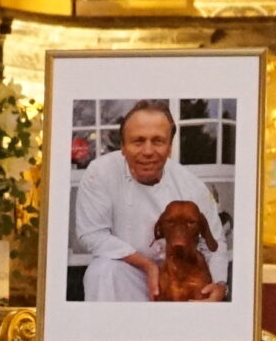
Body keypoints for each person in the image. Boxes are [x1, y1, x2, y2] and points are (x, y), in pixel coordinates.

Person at [71, 101, 232, 303]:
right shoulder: (100, 173)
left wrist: (219, 285)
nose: (147, 151)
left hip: (179, 279)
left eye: (157, 141)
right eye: (138, 141)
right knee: (102, 270)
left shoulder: (191, 186)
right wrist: (148, 266)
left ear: (170, 147)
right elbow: (92, 235)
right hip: (128, 272)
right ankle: (107, 334)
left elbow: (215, 245)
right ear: (122, 146)